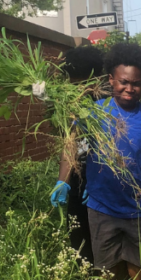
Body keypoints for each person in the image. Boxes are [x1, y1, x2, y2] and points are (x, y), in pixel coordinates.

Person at [52, 43, 141, 280]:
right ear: (111, 80)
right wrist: (63, 180)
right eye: (123, 82)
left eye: (136, 84)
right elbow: (71, 145)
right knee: (106, 274)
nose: (129, 89)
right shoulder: (93, 112)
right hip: (102, 207)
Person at [51, 45, 105, 266]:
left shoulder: (108, 106)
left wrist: (97, 182)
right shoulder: (72, 105)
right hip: (79, 180)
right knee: (78, 238)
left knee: (102, 241)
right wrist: (62, 182)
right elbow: (70, 144)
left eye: (80, 83)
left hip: (104, 182)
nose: (76, 88)